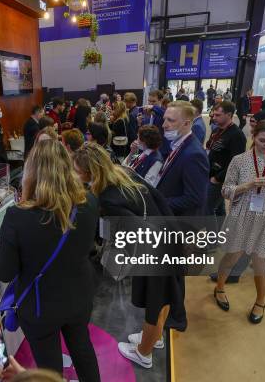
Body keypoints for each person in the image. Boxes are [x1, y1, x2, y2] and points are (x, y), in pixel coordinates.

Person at [0, 140, 100, 381]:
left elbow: (5, 272)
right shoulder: (89, 202)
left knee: (49, 369)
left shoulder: (17, 217)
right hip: (79, 295)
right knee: (82, 348)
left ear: (30, 172)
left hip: (40, 306)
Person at [72, 143, 184, 369]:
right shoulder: (125, 172)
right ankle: (155, 337)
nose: (73, 174)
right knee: (163, 298)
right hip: (168, 235)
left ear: (88, 173)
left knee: (156, 302)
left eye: (76, 170)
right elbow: (159, 199)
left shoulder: (108, 198)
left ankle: (144, 352)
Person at [214, 119, 265, 324]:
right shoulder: (239, 160)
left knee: (262, 263)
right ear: (254, 137)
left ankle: (260, 301)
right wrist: (247, 185)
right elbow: (226, 190)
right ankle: (219, 287)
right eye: (262, 140)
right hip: (242, 214)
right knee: (232, 257)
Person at [156, 101, 209, 216]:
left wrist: (159, 202)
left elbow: (195, 198)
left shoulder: (194, 155)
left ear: (186, 124)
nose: (164, 125)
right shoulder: (177, 143)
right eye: (165, 119)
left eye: (170, 120)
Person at [205, 101, 247, 231]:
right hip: (212, 174)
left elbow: (236, 162)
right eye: (213, 114)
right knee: (218, 208)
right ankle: (220, 234)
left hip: (221, 178)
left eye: (218, 115)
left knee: (207, 209)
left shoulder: (236, 135)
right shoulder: (218, 130)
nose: (214, 117)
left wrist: (218, 178)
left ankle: (211, 241)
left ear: (229, 115)